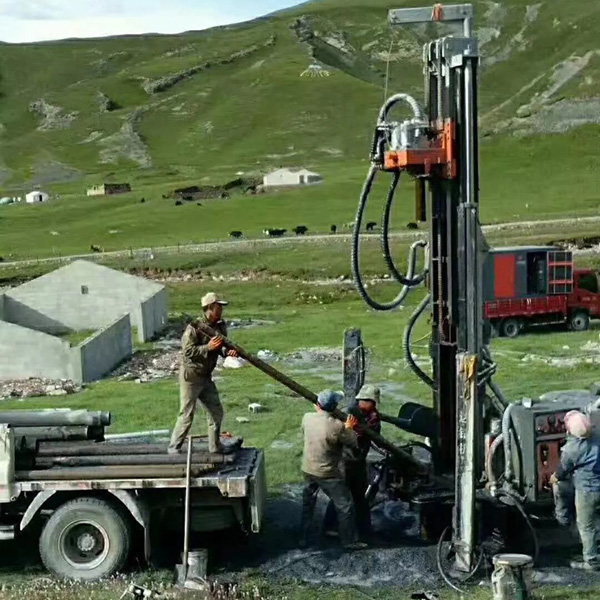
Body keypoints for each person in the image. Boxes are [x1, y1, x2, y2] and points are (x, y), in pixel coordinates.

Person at [168, 292, 238, 454]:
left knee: (216, 411)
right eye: (218, 306)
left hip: (206, 376)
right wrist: (208, 348)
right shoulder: (195, 328)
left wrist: (227, 352)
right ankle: (174, 448)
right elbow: (187, 351)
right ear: (209, 308)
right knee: (186, 414)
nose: (221, 309)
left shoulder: (220, 326)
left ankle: (215, 447)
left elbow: (221, 347)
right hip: (191, 377)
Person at [299, 389, 366, 550]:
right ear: (335, 406)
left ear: (318, 405)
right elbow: (354, 442)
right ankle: (348, 541)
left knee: (308, 504)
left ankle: (303, 538)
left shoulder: (307, 418)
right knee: (345, 505)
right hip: (327, 473)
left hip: (308, 468)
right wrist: (349, 427)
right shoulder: (337, 427)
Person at [324, 384, 381, 540]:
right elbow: (339, 436)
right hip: (345, 461)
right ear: (365, 400)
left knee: (359, 497)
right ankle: (330, 528)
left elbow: (375, 434)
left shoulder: (371, 416)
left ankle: (364, 530)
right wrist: (351, 429)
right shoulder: (348, 413)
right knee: (341, 496)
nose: (374, 406)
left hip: (358, 461)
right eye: (373, 403)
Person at [551, 410, 600, 570]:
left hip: (587, 491)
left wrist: (554, 479)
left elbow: (562, 471)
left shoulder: (571, 450)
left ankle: (591, 561)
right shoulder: (598, 436)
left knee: (586, 525)